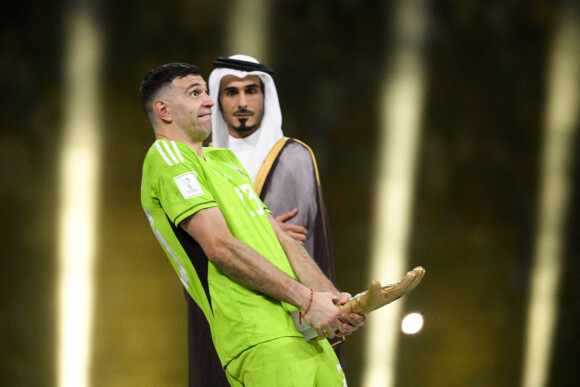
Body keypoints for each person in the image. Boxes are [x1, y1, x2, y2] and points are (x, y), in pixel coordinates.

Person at [139, 63, 365, 386]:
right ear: (163, 110)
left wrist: (330, 299)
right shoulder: (167, 158)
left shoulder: (225, 161)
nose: (209, 101)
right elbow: (220, 248)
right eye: (195, 93)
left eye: (206, 91)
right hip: (259, 338)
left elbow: (283, 241)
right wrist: (308, 301)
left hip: (304, 333)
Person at [185, 54, 345, 386]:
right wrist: (260, 228)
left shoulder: (293, 157)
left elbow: (294, 241)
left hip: (287, 320)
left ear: (265, 96)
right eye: (231, 92)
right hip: (227, 311)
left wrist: (244, 231)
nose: (242, 102)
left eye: (251, 91)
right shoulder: (199, 161)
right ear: (217, 99)